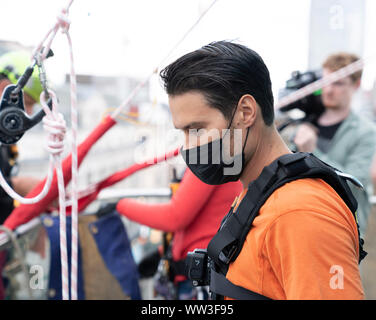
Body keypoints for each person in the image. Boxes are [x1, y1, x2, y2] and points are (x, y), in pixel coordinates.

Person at [159, 41, 364, 299]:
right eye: (184, 132)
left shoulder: (301, 212)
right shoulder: (262, 190)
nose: (188, 146)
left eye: (196, 128)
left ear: (246, 112)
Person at [116, 167, 242, 299]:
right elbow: (203, 220)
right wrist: (161, 252)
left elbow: (175, 217)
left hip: (200, 277)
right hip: (202, 272)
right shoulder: (218, 156)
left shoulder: (210, 158)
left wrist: (121, 205)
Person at [293, 52, 376, 237]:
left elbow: (354, 184)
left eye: (338, 83)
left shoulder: (365, 131)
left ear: (356, 85)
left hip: (342, 232)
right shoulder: (304, 124)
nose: (329, 90)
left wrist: (312, 152)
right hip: (302, 225)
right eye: (325, 82)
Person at [0, 50, 43, 224]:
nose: (30, 113)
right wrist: (16, 186)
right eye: (27, 103)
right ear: (4, 89)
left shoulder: (6, 142)